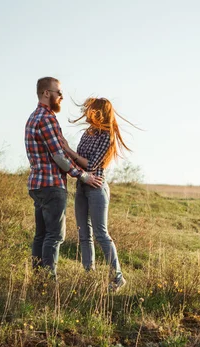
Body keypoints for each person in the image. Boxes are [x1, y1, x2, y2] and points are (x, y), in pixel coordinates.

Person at [25, 77, 102, 278]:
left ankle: (37, 279)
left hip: (37, 184)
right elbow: (58, 156)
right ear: (46, 93)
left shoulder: (33, 117)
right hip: (51, 185)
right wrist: (83, 176)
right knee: (55, 236)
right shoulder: (47, 119)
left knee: (41, 235)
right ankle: (49, 282)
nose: (61, 97)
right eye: (58, 92)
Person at [61, 97, 131, 292]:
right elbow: (79, 162)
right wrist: (72, 157)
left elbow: (91, 164)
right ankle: (88, 276)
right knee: (84, 234)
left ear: (100, 112)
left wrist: (68, 150)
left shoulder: (107, 136)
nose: (87, 113)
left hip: (97, 187)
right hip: (82, 186)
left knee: (101, 233)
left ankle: (117, 277)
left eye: (92, 110)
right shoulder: (87, 133)